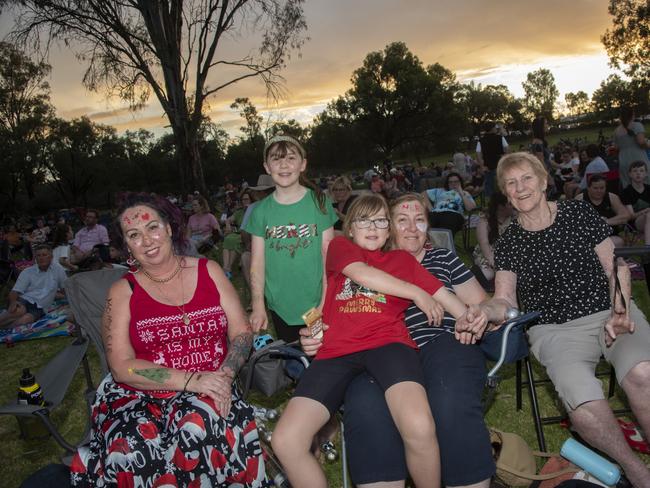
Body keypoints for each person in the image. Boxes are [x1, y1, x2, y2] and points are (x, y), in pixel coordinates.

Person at [272, 194, 487, 488]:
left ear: (388, 231)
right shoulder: (339, 248)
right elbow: (360, 274)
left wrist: (467, 317)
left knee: (419, 426)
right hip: (336, 353)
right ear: (349, 228)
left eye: (380, 220)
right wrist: (415, 293)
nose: (372, 227)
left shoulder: (401, 261)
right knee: (286, 439)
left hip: (389, 346)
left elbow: (445, 298)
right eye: (363, 220)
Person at [69, 193, 269, 487]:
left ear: (169, 228)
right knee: (133, 441)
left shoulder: (209, 271)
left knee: (199, 419)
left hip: (214, 382)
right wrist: (190, 380)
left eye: (152, 228)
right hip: (140, 394)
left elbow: (241, 332)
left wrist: (223, 376)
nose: (147, 241)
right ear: (126, 245)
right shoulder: (122, 293)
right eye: (134, 235)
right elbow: (122, 366)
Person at [481, 151, 650, 488]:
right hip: (556, 330)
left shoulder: (578, 212)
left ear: (544, 182)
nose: (520, 187)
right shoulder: (510, 241)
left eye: (527, 178)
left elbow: (612, 267)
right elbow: (504, 299)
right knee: (582, 399)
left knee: (644, 372)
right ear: (506, 193)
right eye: (511, 183)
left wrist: (619, 310)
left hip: (609, 310)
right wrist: (484, 311)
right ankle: (637, 471)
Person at [245, 134, 338, 343]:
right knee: (293, 357)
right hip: (280, 304)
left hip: (316, 302)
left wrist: (325, 302)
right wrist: (258, 303)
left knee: (318, 352)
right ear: (267, 167)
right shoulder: (260, 212)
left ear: (303, 164)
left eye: (291, 158)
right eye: (276, 159)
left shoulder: (319, 203)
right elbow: (257, 263)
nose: (284, 164)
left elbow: (329, 258)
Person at [0, 245, 67, 329]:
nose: (41, 258)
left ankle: (4, 328)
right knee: (19, 312)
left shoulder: (58, 270)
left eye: (44, 255)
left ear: (51, 257)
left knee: (25, 320)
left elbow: (65, 288)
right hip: (25, 300)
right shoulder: (28, 272)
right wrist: (13, 302)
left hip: (41, 307)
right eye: (38, 255)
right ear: (35, 258)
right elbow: (15, 291)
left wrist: (72, 300)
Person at [575, 174, 631, 248]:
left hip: (609, 237)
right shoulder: (580, 199)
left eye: (602, 188)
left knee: (618, 241)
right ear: (588, 188)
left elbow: (626, 216)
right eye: (595, 188)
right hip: (588, 237)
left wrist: (606, 221)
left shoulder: (612, 197)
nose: (599, 191)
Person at [473, 191, 514, 281]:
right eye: (510, 204)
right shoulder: (485, 221)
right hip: (488, 255)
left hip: (510, 255)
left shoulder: (515, 219)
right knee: (488, 274)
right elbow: (485, 245)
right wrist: (496, 265)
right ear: (501, 206)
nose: (514, 206)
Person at [424, 171, 476, 236]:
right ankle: (433, 244)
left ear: (460, 182)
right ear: (447, 183)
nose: (453, 184)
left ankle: (443, 245)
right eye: (450, 182)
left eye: (456, 182)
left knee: (446, 225)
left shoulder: (464, 193)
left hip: (454, 214)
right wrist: (430, 208)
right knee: (425, 226)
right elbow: (423, 194)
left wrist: (461, 193)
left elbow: (471, 208)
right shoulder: (440, 191)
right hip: (435, 213)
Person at [614, 106, 650, 189]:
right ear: (633, 115)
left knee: (629, 188)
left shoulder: (617, 130)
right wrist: (648, 145)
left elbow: (616, 148)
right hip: (638, 160)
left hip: (624, 161)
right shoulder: (637, 125)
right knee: (645, 185)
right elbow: (641, 142)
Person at [476, 121, 508, 197]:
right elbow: (507, 150)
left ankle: (491, 204)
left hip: (488, 167)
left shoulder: (481, 141)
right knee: (502, 186)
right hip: (500, 166)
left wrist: (482, 166)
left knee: (490, 188)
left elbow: (478, 155)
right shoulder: (500, 138)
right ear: (492, 128)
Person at [221, 193, 248, 279]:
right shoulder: (239, 212)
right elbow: (228, 220)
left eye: (247, 199)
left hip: (247, 234)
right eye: (244, 199)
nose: (245, 201)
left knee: (234, 241)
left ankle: (228, 268)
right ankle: (225, 267)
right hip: (238, 233)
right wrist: (228, 225)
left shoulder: (254, 211)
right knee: (228, 238)